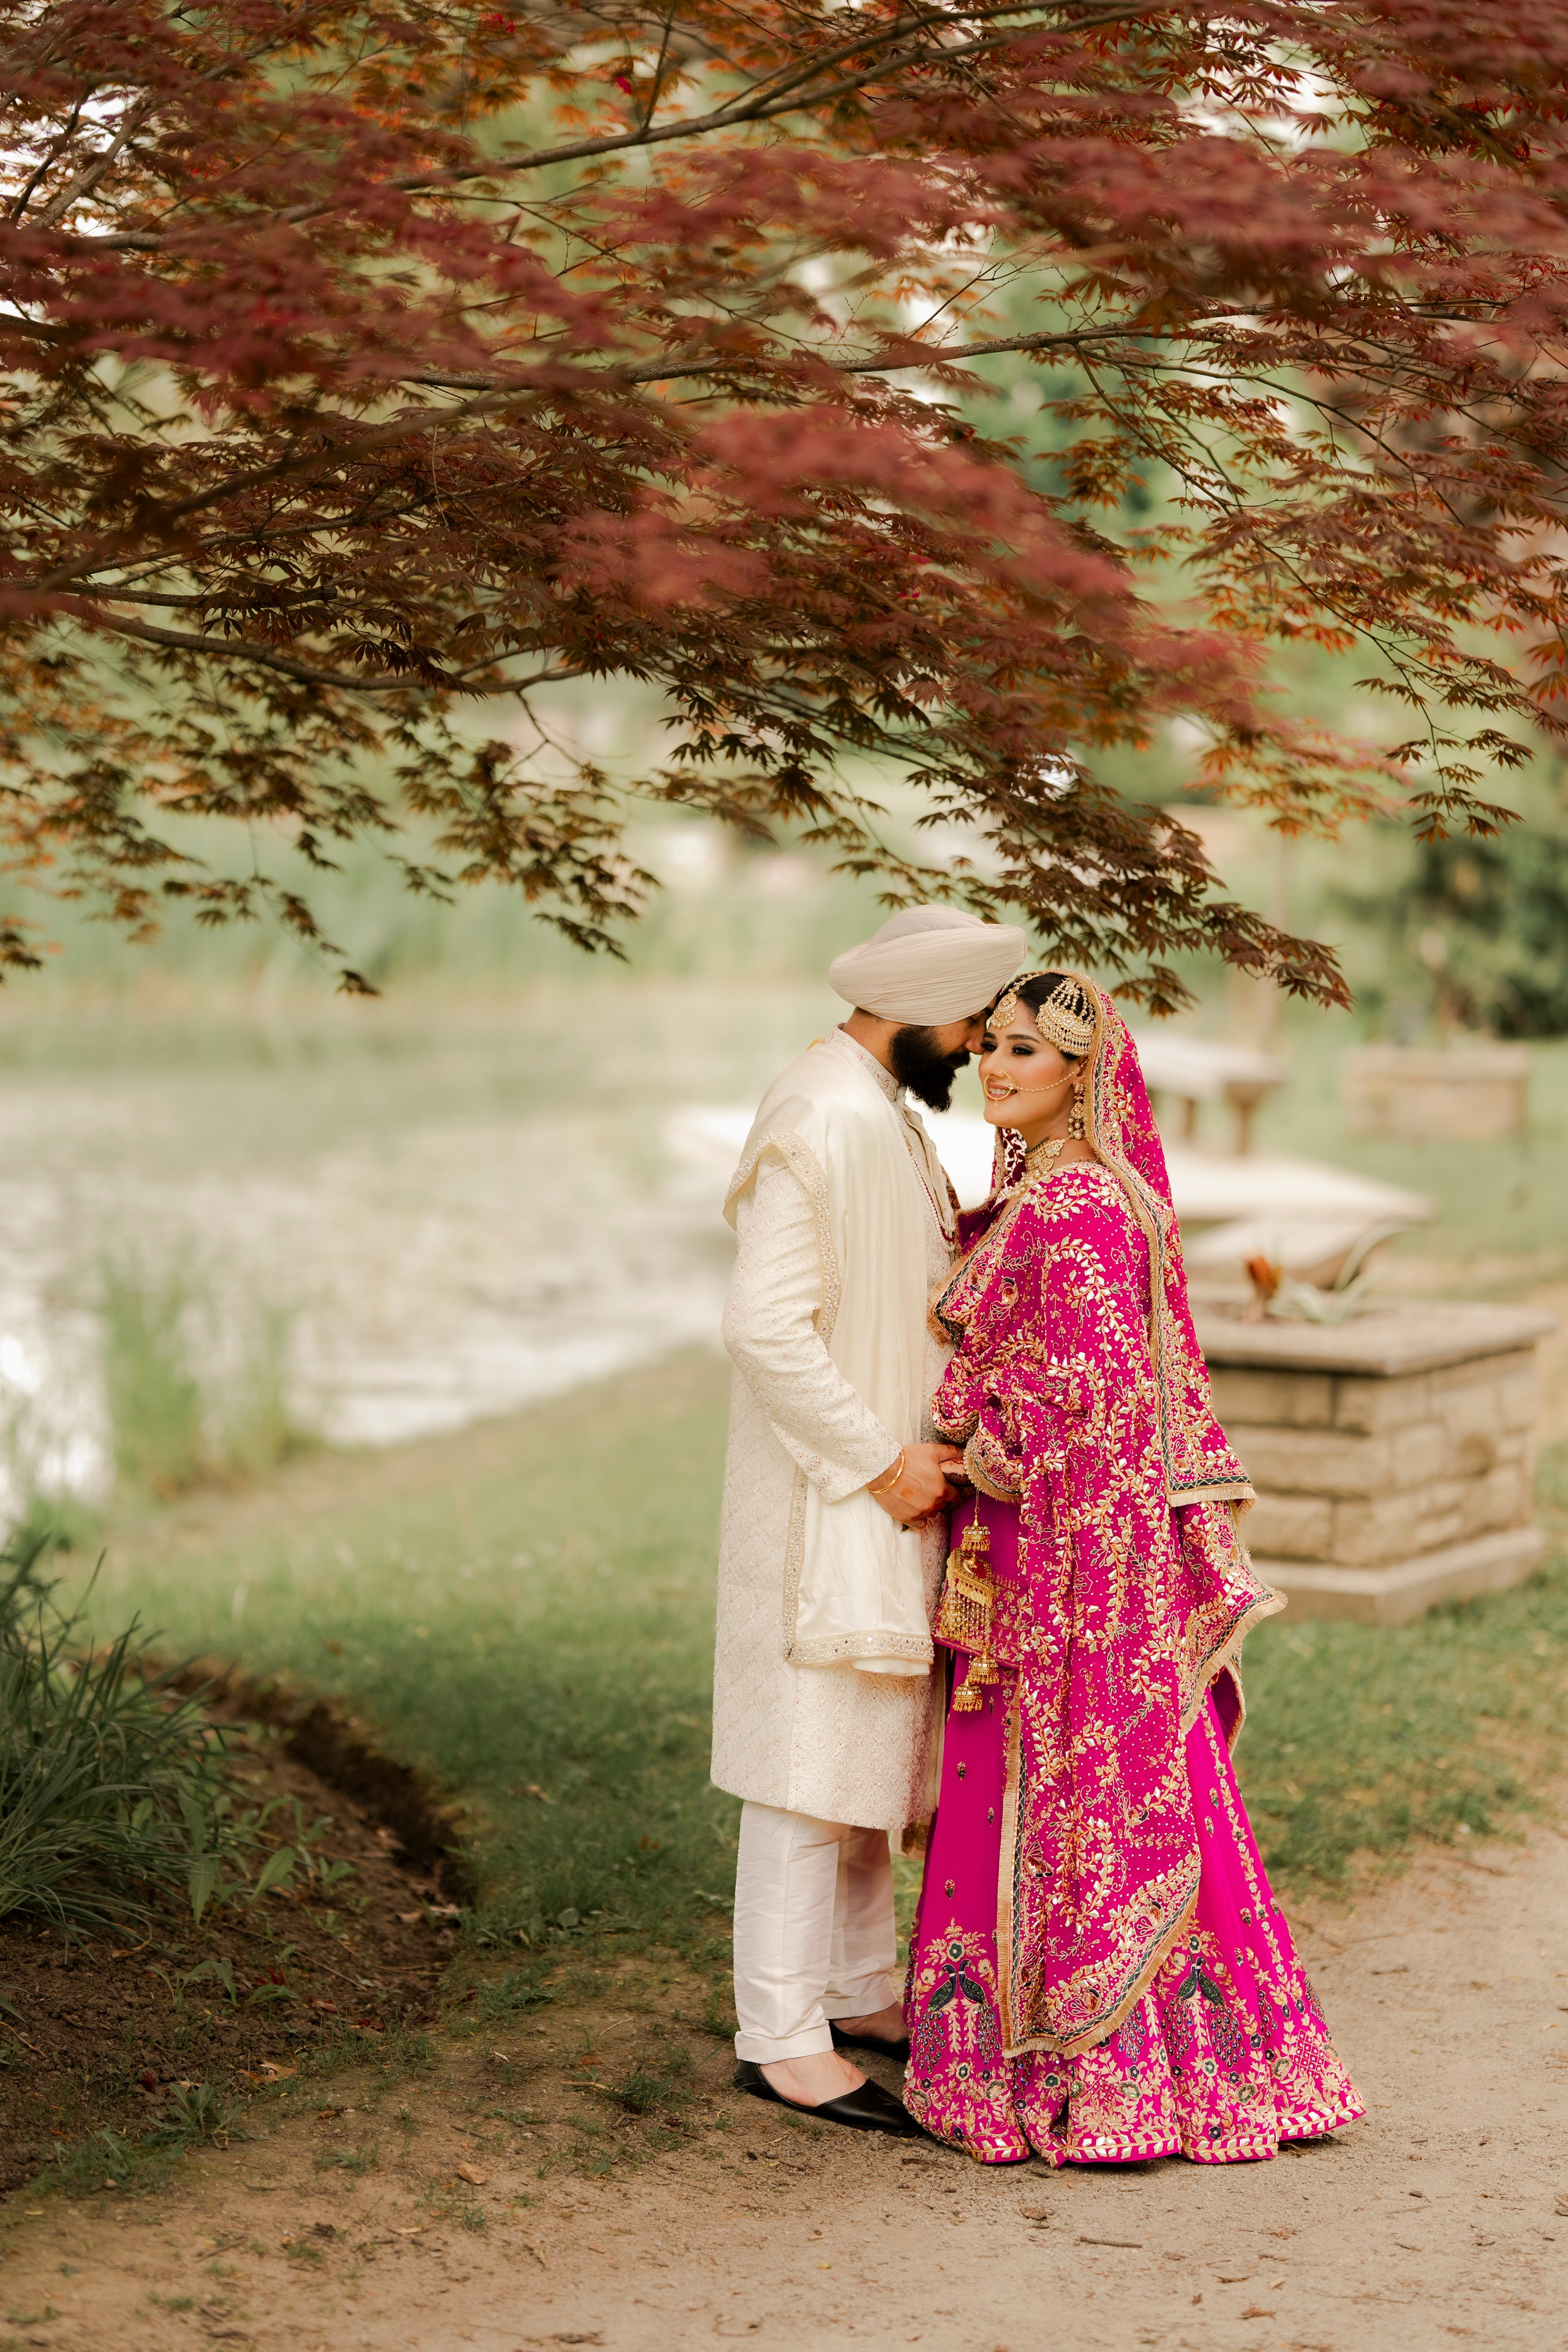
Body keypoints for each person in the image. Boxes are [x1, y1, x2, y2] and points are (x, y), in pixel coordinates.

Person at [903, 970, 1365, 2163]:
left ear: (1081, 1075)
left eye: (1024, 1051)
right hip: (1064, 1552)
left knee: (1055, 1789)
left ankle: (1080, 2066)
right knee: (1160, 1778)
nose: (994, 1067)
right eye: (990, 1046)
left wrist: (971, 1436)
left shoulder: (1071, 1207)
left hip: (1052, 1556)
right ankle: (1190, 2054)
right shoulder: (1074, 1193)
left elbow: (1088, 1408)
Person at [713, 905, 1027, 2135]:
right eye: (971, 1024)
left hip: (889, 1488)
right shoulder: (822, 1114)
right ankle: (779, 2037)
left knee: (864, 1758)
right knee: (806, 1768)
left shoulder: (876, 1106)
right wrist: (878, 1461)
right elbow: (763, 1329)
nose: (977, 1046)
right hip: (828, 1492)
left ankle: (849, 1989)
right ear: (918, 1011)